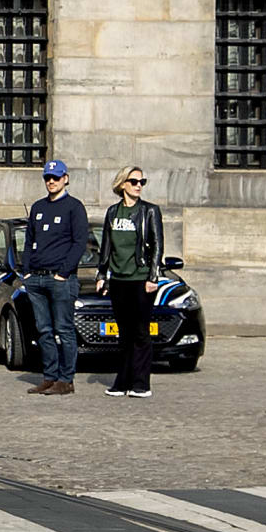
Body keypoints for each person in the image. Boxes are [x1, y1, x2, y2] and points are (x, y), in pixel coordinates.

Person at [14, 157, 89, 399]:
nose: (51, 181)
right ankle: (49, 377)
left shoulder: (74, 207)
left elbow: (79, 244)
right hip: (35, 278)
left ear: (66, 179)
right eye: (48, 177)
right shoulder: (37, 207)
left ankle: (66, 380)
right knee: (43, 330)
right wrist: (26, 270)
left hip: (60, 280)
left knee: (64, 330)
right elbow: (28, 241)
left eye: (56, 177)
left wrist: (63, 273)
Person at [100, 166, 167, 400]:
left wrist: (152, 277)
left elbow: (157, 245)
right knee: (124, 333)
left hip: (140, 280)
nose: (139, 185)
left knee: (140, 332)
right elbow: (106, 246)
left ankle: (141, 383)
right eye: (134, 181)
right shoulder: (112, 213)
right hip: (118, 280)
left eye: (142, 181)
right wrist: (102, 275)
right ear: (122, 185)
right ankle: (122, 381)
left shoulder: (149, 211)